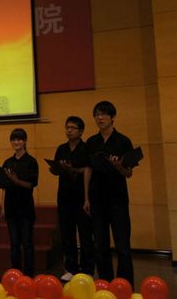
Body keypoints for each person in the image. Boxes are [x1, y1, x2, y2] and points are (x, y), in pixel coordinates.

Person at [87, 101, 135, 285]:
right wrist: (86, 197)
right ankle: (105, 284)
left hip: (117, 199)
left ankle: (124, 285)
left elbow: (128, 173)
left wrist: (118, 166)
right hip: (97, 199)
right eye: (97, 114)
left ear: (113, 117)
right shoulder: (92, 142)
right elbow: (88, 170)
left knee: (122, 245)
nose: (100, 118)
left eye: (104, 114)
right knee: (100, 245)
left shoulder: (123, 141)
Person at [50, 116, 93, 281]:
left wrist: (72, 169)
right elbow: (56, 169)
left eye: (73, 128)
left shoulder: (86, 148)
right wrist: (56, 168)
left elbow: (88, 169)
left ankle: (87, 269)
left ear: (81, 131)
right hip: (64, 196)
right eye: (67, 127)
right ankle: (71, 267)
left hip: (81, 196)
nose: (69, 130)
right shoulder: (61, 148)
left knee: (85, 234)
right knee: (67, 234)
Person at [0, 128, 38, 276]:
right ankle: (16, 273)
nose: (16, 142)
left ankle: (29, 275)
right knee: (14, 243)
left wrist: (16, 180)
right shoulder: (7, 162)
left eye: (19, 139)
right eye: (14, 139)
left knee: (27, 243)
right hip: (10, 208)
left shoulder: (31, 162)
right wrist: (3, 207)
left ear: (25, 141)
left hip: (26, 208)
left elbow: (31, 185)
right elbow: (3, 187)